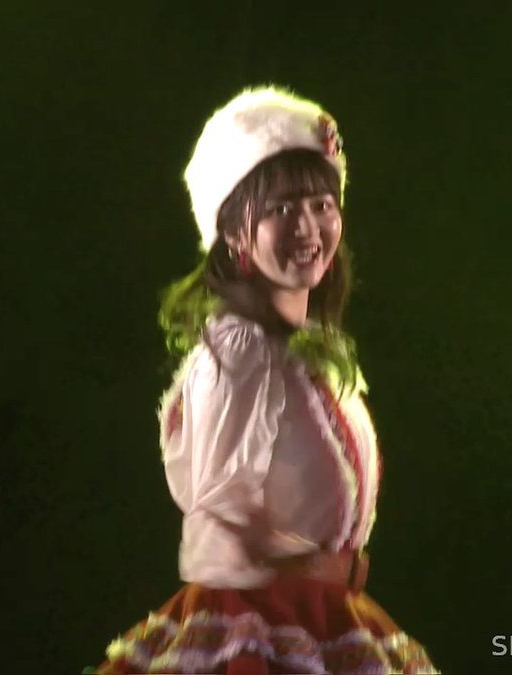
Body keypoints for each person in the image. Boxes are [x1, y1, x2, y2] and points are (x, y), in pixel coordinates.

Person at [95, 86, 438, 674]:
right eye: (280, 210)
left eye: (322, 204)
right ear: (233, 232)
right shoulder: (239, 350)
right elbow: (220, 525)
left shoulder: (307, 354)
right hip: (260, 624)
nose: (308, 227)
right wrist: (313, 566)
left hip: (328, 613)